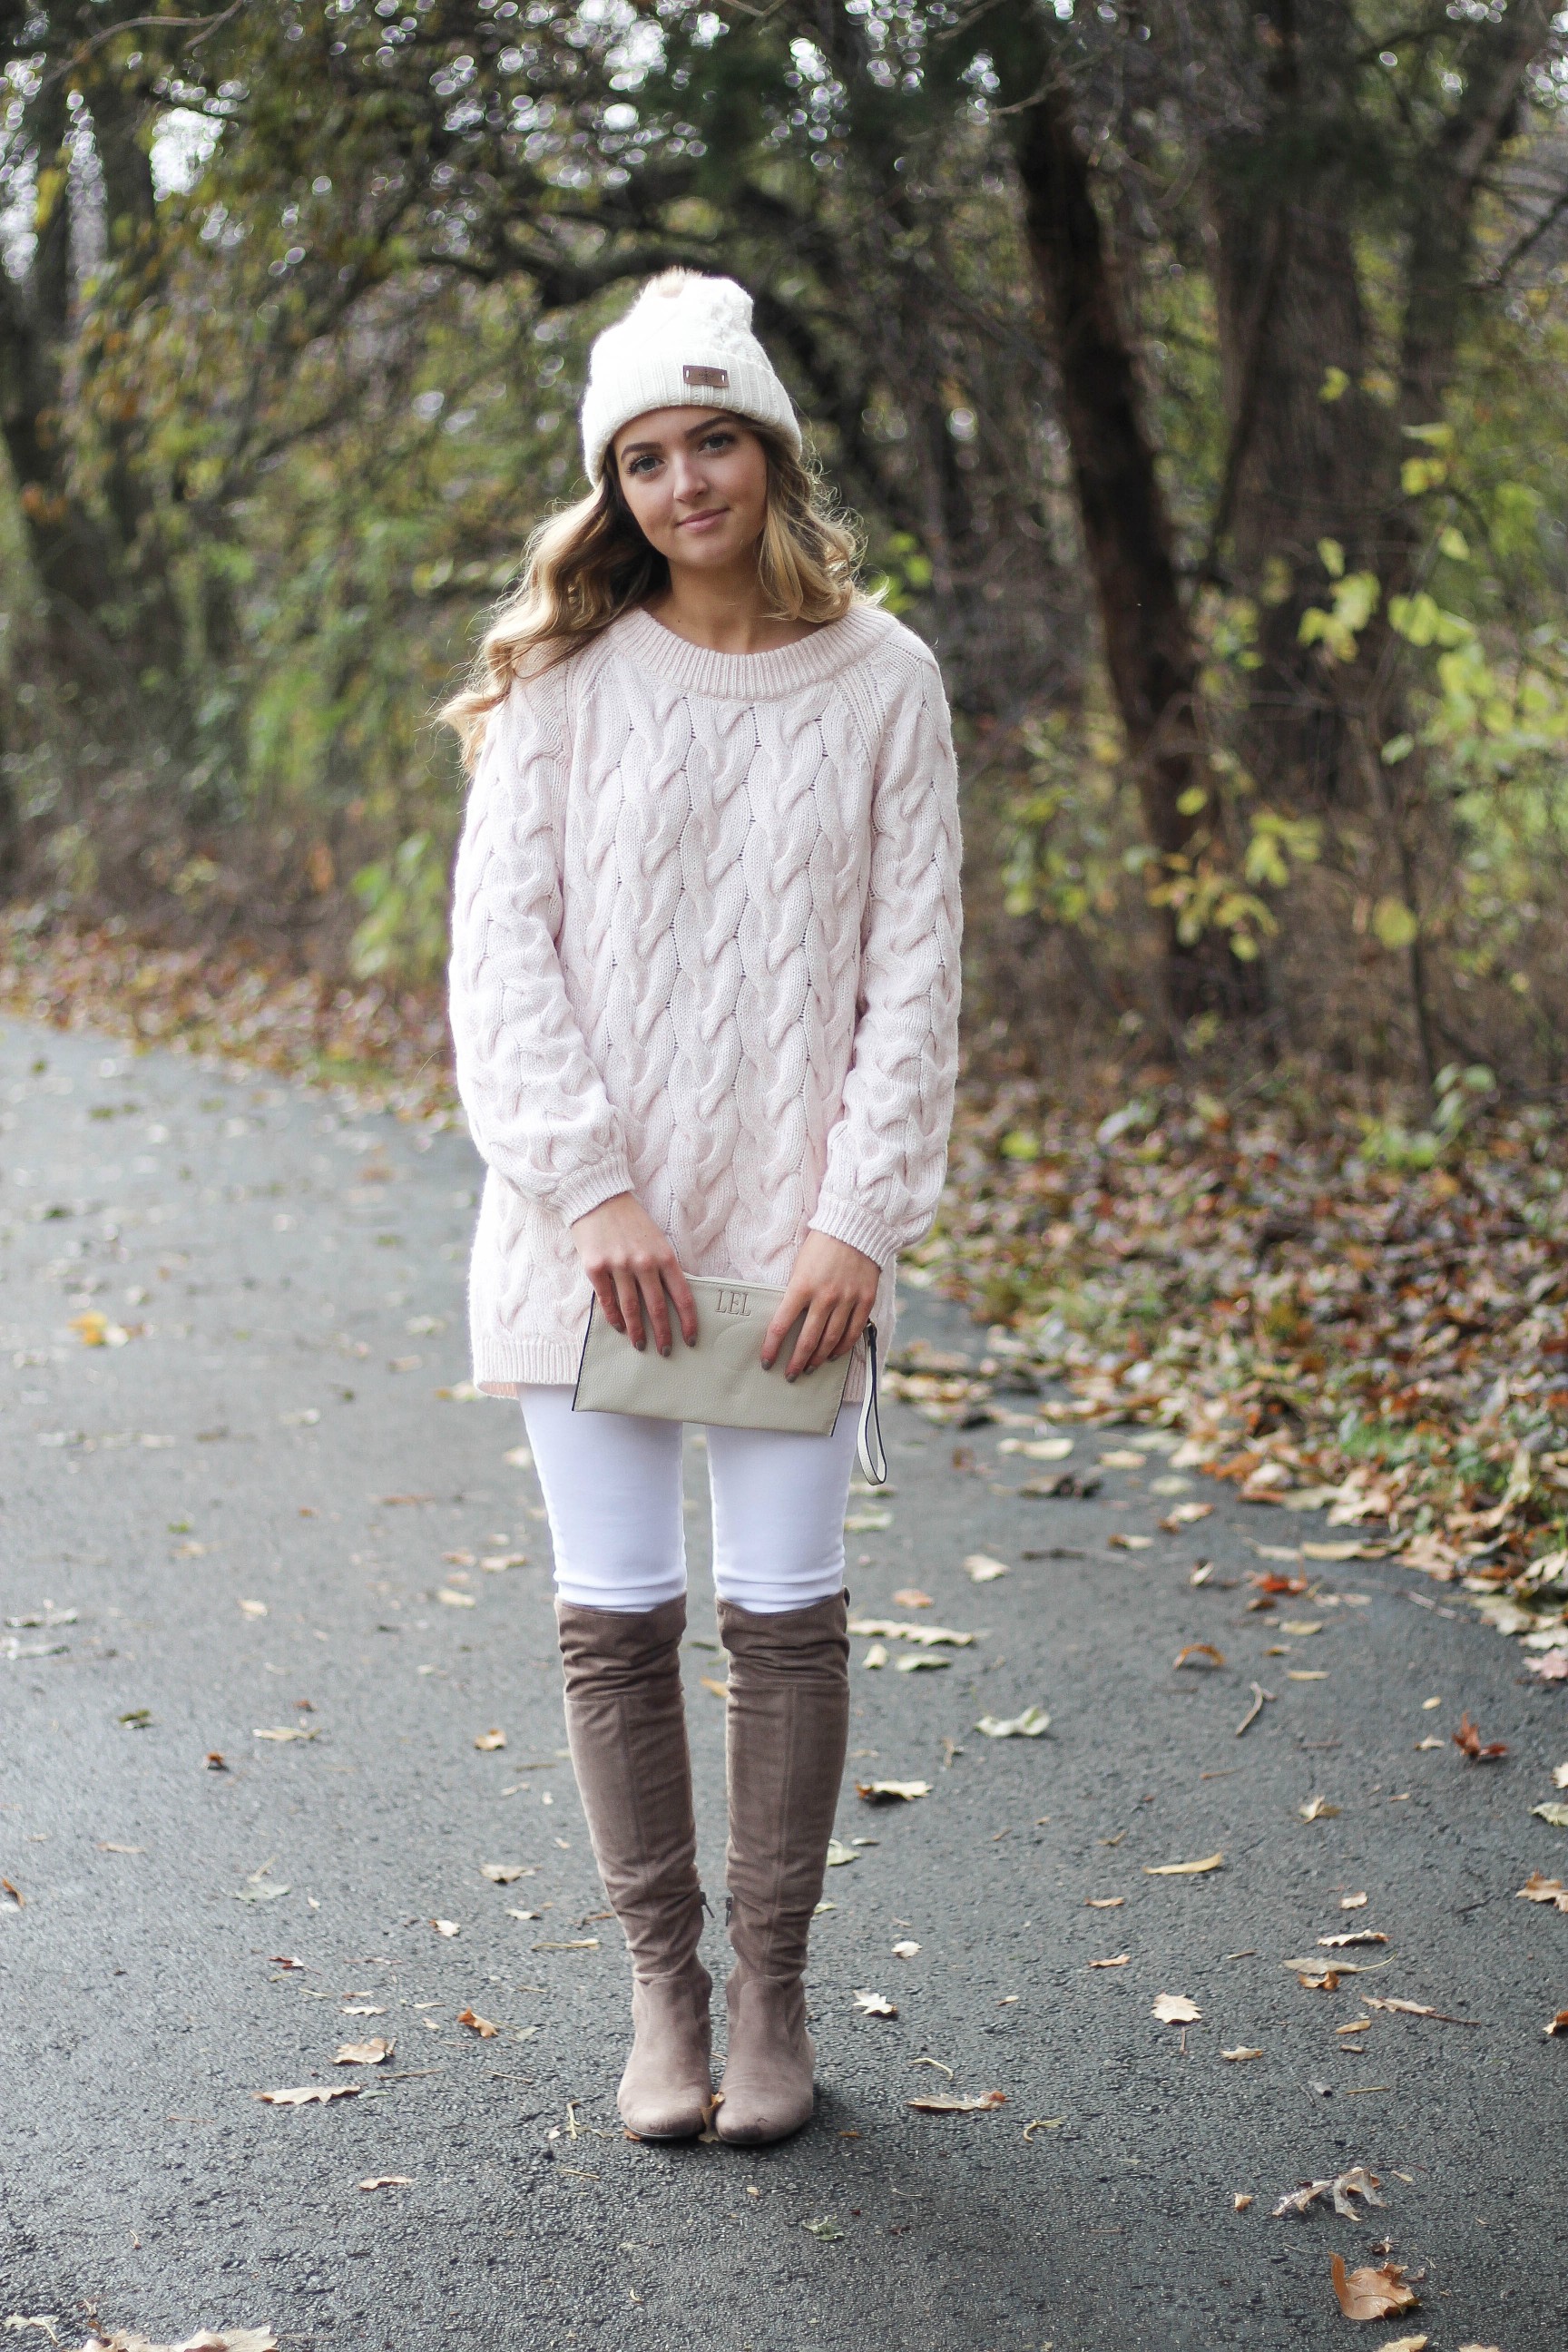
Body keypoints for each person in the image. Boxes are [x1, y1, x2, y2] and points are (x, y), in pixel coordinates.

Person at [444, 270, 962, 2145]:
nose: (684, 483)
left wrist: (859, 1225)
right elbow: (500, 967)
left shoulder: (889, 682)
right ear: (614, 490)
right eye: (644, 458)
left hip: (794, 1246)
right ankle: (663, 2000)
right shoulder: (562, 691)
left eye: (711, 440)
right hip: (592, 1243)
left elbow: (917, 978)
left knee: (791, 1615)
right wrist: (590, 1191)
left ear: (771, 451)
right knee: (616, 1616)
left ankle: (775, 2006)